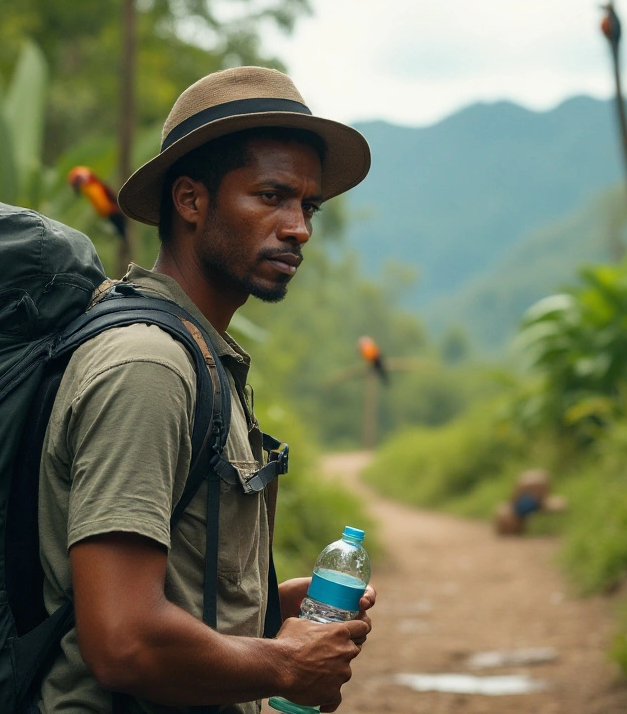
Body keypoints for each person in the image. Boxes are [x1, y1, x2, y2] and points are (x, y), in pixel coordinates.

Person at [36, 67, 376, 714]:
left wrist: (269, 600)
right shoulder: (150, 367)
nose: (298, 226)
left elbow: (169, 593)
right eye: (271, 196)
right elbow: (123, 640)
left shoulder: (200, 358)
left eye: (308, 205)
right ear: (190, 201)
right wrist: (287, 662)